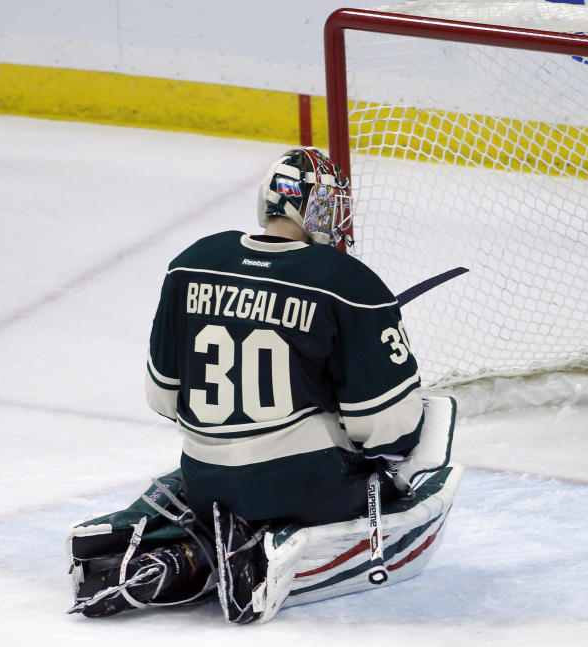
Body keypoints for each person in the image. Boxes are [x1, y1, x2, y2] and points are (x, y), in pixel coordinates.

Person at [68, 147, 426, 622]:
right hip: (306, 483)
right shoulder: (347, 282)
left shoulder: (193, 262)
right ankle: (271, 547)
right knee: (403, 459)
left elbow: (163, 397)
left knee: (209, 482)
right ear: (315, 207)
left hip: (205, 478)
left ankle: (171, 550)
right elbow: (388, 425)